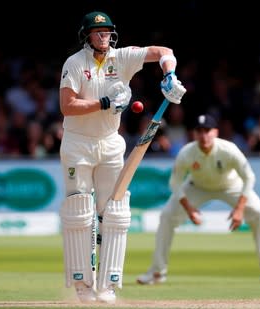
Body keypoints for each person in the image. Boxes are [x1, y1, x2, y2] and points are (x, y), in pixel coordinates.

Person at [58, 11, 186, 304]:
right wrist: (103, 103)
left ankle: (108, 285)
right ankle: (83, 286)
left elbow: (164, 51)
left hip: (110, 144)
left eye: (107, 31)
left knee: (114, 212)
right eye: (97, 32)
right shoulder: (75, 63)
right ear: (87, 35)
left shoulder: (123, 57)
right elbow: (67, 106)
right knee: (80, 212)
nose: (103, 36)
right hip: (78, 143)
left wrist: (170, 74)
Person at [136, 114, 260, 286]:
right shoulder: (187, 153)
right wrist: (189, 209)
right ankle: (157, 272)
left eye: (207, 131)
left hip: (230, 185)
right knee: (166, 217)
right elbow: (175, 182)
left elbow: (249, 177)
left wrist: (240, 209)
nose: (204, 136)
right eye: (199, 131)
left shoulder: (229, 150)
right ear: (194, 134)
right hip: (197, 187)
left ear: (216, 132)